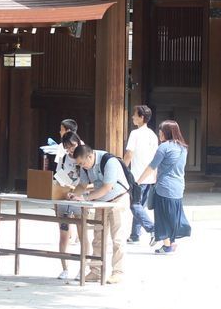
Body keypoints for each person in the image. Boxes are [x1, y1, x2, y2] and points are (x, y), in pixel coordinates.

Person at [71, 144, 133, 283]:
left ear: (90, 156)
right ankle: (96, 271)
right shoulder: (84, 166)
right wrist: (73, 195)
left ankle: (118, 272)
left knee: (117, 238)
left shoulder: (109, 161)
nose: (82, 166)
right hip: (100, 201)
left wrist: (85, 198)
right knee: (98, 237)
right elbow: (82, 185)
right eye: (79, 164)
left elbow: (107, 187)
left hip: (118, 199)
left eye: (83, 163)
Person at [139, 120, 191, 253]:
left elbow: (152, 166)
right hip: (179, 187)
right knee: (172, 216)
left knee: (162, 216)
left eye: (161, 132)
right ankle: (172, 242)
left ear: (166, 133)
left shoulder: (164, 147)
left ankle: (168, 245)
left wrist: (138, 181)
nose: (159, 134)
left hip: (164, 187)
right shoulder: (183, 148)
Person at [123, 105, 158, 243]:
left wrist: (122, 168)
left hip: (137, 176)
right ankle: (134, 235)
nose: (132, 117)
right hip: (150, 176)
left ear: (141, 117)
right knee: (140, 206)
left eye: (135, 115)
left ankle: (152, 229)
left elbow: (129, 154)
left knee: (134, 205)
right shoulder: (153, 135)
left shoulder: (135, 134)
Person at [55, 131, 84, 280]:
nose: (71, 150)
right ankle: (64, 268)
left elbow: (89, 182)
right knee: (63, 234)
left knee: (82, 234)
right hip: (65, 198)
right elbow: (59, 177)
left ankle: (82, 268)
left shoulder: (85, 156)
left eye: (72, 145)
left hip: (80, 199)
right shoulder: (64, 158)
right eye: (67, 147)